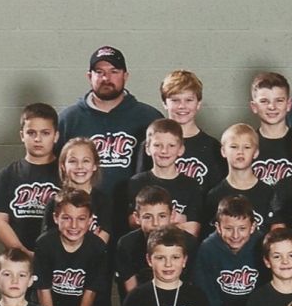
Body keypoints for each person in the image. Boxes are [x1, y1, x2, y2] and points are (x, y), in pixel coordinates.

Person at [58, 45, 161, 200]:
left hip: (135, 210)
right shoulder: (68, 119)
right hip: (82, 211)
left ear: (125, 76)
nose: (106, 78)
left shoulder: (149, 117)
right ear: (89, 76)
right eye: (99, 72)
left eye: (114, 71)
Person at [0, 103, 62, 252]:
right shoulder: (7, 175)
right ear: (22, 135)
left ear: (56, 136)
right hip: (18, 260)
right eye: (31, 133)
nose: (38, 139)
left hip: (58, 259)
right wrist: (24, 254)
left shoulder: (66, 173)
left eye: (45, 133)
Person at [121, 118, 204, 237]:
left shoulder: (191, 185)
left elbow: (193, 230)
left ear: (181, 149)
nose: (164, 151)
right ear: (147, 148)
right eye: (157, 145)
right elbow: (132, 222)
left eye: (171, 145)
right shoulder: (136, 182)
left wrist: (150, 220)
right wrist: (175, 220)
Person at [203, 124, 275, 233]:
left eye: (247, 147)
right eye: (234, 147)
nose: (240, 152)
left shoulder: (269, 193)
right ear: (223, 151)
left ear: (255, 152)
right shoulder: (214, 195)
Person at [159, 69, 223, 190]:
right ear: (165, 103)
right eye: (175, 100)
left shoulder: (212, 147)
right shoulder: (152, 145)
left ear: (198, 103)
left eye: (189, 100)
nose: (182, 106)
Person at [54, 137, 112, 244]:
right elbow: (48, 242)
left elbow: (101, 243)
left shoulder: (103, 201)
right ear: (63, 166)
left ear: (95, 165)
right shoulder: (55, 201)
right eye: (73, 161)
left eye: (86, 161)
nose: (79, 166)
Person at [249, 72, 292, 185]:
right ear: (254, 107)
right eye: (264, 101)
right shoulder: (247, 144)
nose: (272, 107)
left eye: (279, 100)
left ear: (289, 104)